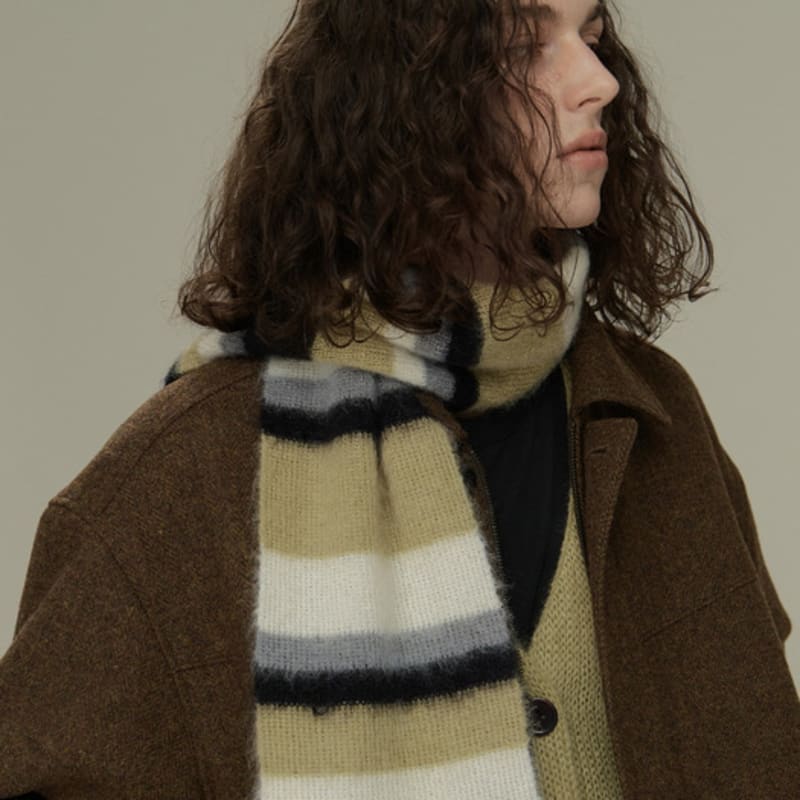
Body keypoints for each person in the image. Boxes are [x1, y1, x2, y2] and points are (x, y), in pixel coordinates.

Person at [2, 0, 798, 797]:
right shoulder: (187, 469)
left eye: (591, 36)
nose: (599, 81)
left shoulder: (649, 413)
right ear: (399, 102)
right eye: (524, 45)